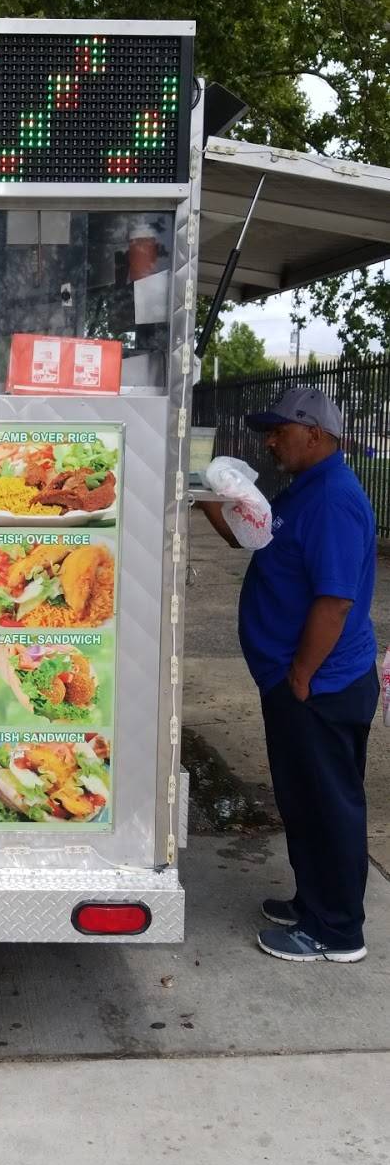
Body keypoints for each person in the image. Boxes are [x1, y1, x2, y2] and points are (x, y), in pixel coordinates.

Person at [203, 387, 378, 963]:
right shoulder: (302, 491)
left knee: (328, 803)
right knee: (304, 799)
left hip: (320, 685)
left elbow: (335, 601)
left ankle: (335, 931)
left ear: (317, 435)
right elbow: (257, 541)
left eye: (280, 429)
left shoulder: (332, 500)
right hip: (295, 680)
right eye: (269, 430)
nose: (270, 440)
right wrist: (211, 503)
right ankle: (314, 901)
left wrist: (301, 675)